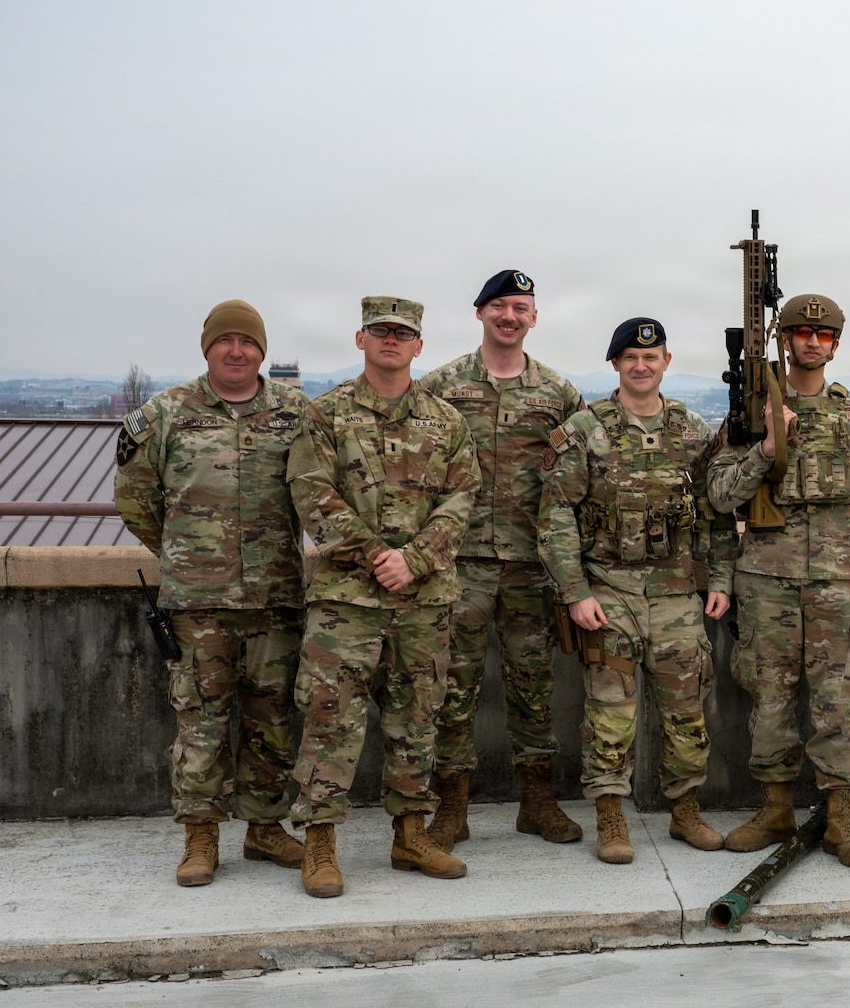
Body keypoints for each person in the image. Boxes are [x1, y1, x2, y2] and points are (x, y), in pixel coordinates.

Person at [284, 297, 480, 897]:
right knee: (330, 719)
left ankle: (410, 834)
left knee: (417, 719)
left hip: (422, 601)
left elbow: (463, 497)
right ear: (360, 339)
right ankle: (319, 843)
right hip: (347, 600)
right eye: (380, 332)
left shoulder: (446, 421)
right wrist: (378, 557)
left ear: (419, 346)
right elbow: (311, 491)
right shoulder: (327, 415)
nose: (391, 341)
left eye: (403, 334)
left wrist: (414, 560)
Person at [113, 299, 311, 886]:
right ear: (207, 348)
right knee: (200, 721)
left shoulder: (298, 413)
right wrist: (188, 554)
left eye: (247, 342)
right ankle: (200, 837)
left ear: (262, 351)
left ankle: (265, 828)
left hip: (276, 600)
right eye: (224, 341)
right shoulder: (166, 414)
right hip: (198, 604)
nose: (236, 350)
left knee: (271, 721)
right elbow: (135, 501)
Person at [706, 294, 850, 867]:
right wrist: (767, 445)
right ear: (784, 340)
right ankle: (776, 808)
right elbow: (720, 496)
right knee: (770, 697)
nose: (812, 342)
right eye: (801, 332)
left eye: (824, 334)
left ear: (836, 345)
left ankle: (841, 817)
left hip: (841, 582)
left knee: (840, 700)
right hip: (767, 580)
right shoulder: (748, 412)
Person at [538, 318, 732, 863]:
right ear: (616, 364)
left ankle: (685, 813)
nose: (640, 366)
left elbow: (717, 514)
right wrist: (575, 591)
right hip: (610, 592)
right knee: (610, 712)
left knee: (687, 711)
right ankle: (610, 817)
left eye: (651, 357)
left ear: (666, 362)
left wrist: (719, 579)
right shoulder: (585, 429)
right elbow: (556, 515)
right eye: (629, 357)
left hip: (675, 596)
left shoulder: (693, 430)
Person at [420, 269, 586, 851]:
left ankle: (537, 803)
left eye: (520, 307)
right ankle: (451, 809)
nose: (509, 316)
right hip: (456, 562)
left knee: (533, 686)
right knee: (451, 686)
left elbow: (578, 481)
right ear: (480, 314)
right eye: (498, 306)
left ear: (533, 318)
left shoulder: (560, 395)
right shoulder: (440, 387)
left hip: (530, 565)